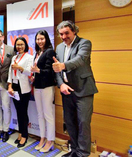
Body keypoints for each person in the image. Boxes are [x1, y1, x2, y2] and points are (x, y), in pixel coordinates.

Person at [53, 20, 98, 157]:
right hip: (67, 91)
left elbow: (80, 60)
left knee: (83, 123)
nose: (64, 36)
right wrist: (61, 84)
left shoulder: (84, 43)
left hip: (83, 90)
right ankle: (74, 151)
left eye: (67, 33)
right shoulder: (59, 48)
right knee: (70, 122)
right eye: (61, 34)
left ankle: (83, 154)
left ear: (74, 31)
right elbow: (57, 71)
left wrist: (63, 66)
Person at [31, 30, 56, 152]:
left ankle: (50, 140)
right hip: (37, 86)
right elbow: (37, 71)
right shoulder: (38, 53)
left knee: (48, 115)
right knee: (40, 114)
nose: (39, 41)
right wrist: (33, 76)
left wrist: (38, 71)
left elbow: (51, 72)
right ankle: (42, 138)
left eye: (42, 39)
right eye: (37, 39)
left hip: (47, 87)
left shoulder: (50, 51)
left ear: (46, 39)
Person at [7, 37, 33, 148]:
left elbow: (29, 72)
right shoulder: (14, 57)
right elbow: (10, 72)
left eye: (22, 44)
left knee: (23, 112)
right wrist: (9, 86)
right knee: (18, 111)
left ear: (25, 45)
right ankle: (21, 132)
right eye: (17, 45)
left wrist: (19, 67)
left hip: (24, 88)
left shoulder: (29, 57)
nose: (19, 46)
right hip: (15, 86)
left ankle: (24, 135)